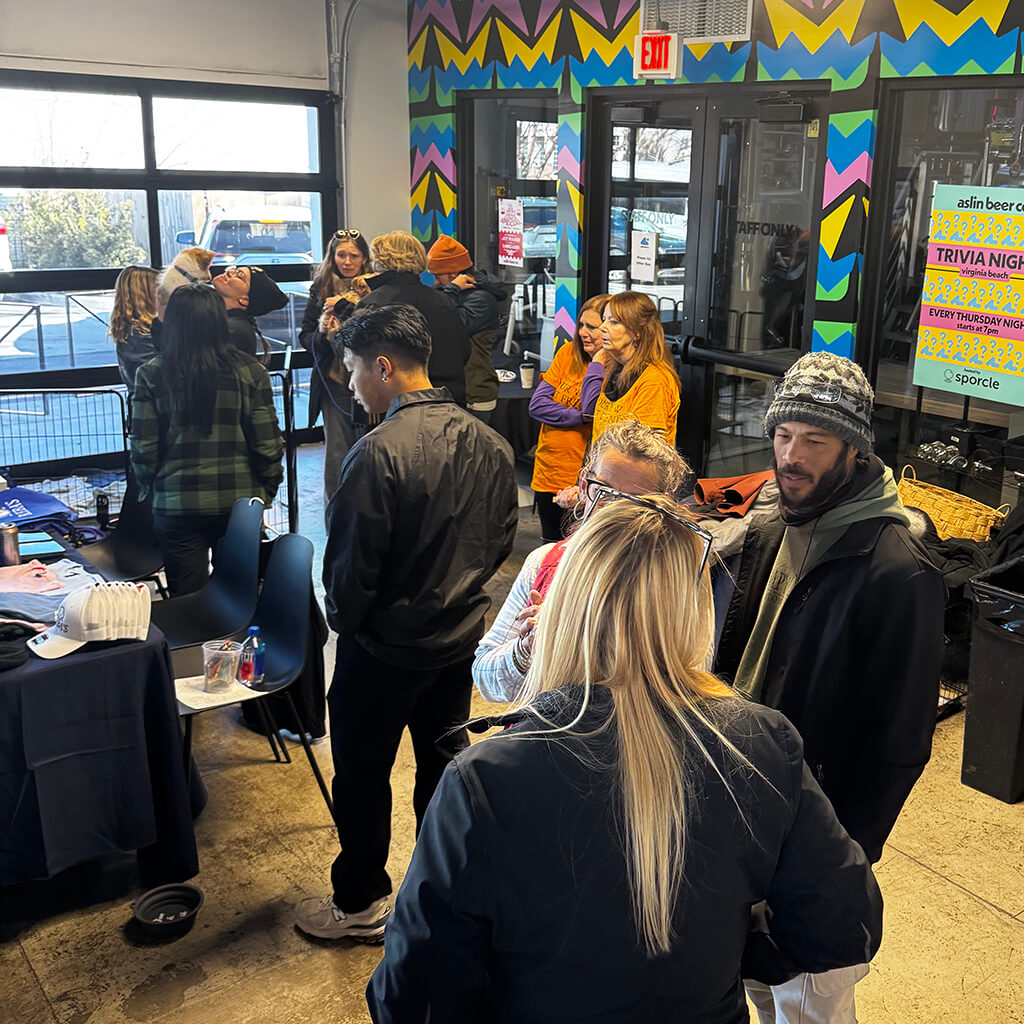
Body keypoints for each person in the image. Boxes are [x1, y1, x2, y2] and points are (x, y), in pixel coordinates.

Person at [367, 496, 882, 1023]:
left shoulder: (484, 782)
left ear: (564, 608)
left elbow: (411, 999)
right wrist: (726, 952)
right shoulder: (763, 744)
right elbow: (845, 927)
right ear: (695, 613)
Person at [713, 350, 946, 1024]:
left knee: (810, 1000)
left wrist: (842, 860)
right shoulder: (770, 525)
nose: (791, 455)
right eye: (783, 434)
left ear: (854, 448)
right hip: (740, 808)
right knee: (754, 982)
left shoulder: (898, 569)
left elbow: (899, 744)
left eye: (815, 440)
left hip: (814, 834)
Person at [294, 303, 517, 942]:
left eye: (354, 368)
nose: (351, 383)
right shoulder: (492, 443)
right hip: (457, 640)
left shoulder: (375, 454)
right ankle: (439, 895)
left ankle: (361, 902)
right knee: (444, 769)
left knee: (362, 774)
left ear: (384, 367)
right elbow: (498, 542)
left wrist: (350, 623)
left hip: (383, 650)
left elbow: (349, 572)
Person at [473, 420, 686, 704]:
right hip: (543, 727)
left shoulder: (676, 580)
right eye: (603, 491)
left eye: (632, 502)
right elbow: (485, 677)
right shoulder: (544, 563)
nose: (611, 510)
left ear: (660, 506)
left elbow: (691, 684)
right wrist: (526, 649)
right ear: (584, 484)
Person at [130, 285, 284, 595]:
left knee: (188, 600)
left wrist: (152, 488)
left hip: (176, 504)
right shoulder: (251, 372)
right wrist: (266, 490)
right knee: (239, 598)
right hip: (239, 504)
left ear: (172, 322)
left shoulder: (151, 374)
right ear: (219, 320)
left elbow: (143, 447)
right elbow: (268, 444)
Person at [300, 228, 375, 501]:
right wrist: (323, 336)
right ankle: (336, 513)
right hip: (335, 381)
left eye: (353, 255)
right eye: (341, 255)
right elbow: (305, 335)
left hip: (370, 379)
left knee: (371, 449)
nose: (347, 261)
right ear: (332, 257)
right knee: (337, 453)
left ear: (364, 258)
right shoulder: (320, 288)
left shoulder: (375, 288)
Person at [528, 294, 610, 541]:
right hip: (549, 472)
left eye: (592, 327)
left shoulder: (614, 368)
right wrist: (578, 417)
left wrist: (597, 363)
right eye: (581, 325)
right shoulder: (567, 353)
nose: (583, 332)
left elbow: (593, 409)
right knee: (550, 547)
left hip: (582, 481)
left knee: (579, 552)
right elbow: (537, 405)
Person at [355, 231, 470, 404]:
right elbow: (464, 351)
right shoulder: (442, 299)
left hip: (398, 402)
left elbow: (362, 363)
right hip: (448, 397)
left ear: (381, 261)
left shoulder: (373, 303)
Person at [580, 290, 680, 444]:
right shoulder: (616, 368)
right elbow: (588, 411)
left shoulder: (654, 380)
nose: (602, 327)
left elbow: (643, 448)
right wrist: (597, 364)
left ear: (637, 332)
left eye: (613, 322)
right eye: (604, 320)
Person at [426, 234, 507, 423]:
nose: (435, 282)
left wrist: (451, 290)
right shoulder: (450, 293)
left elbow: (447, 324)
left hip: (474, 393)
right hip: (456, 390)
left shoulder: (481, 299)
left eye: (438, 276)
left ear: (454, 275)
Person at [211, 264, 289, 358]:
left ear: (244, 300)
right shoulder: (223, 320)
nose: (229, 272)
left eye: (239, 276)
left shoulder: (232, 330)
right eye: (234, 270)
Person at [109, 265, 158, 397]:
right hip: (151, 405)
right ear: (145, 295)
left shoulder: (132, 330)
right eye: (158, 290)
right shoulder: (142, 336)